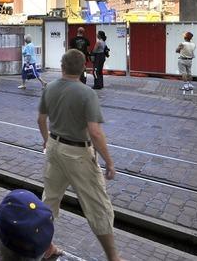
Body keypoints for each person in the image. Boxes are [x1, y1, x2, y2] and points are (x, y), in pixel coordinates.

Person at [37, 49, 120, 261]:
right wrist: (109, 162)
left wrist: (47, 140)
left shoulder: (50, 87)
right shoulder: (86, 93)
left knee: (49, 199)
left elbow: (41, 119)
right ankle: (113, 257)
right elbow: (95, 132)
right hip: (78, 154)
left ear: (62, 66)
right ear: (84, 69)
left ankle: (46, 247)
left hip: (55, 148)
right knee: (98, 205)